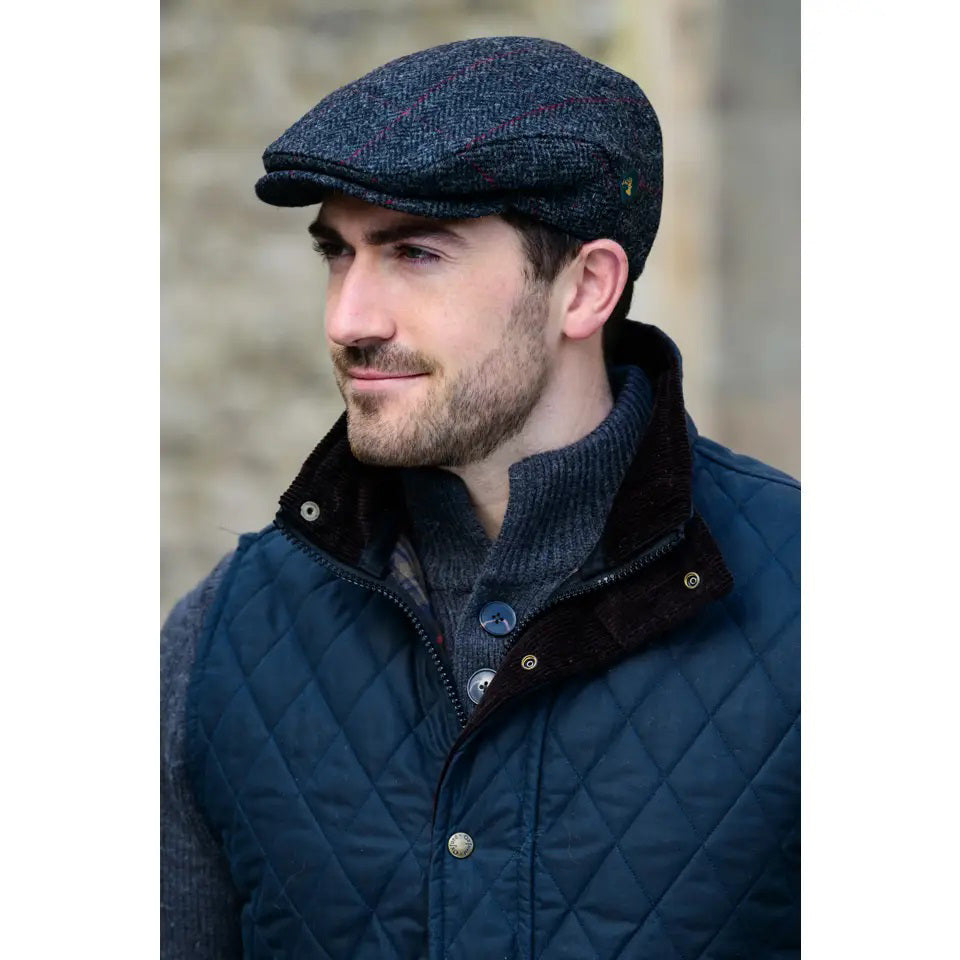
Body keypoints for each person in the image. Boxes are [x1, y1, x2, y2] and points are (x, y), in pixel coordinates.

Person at [161, 35, 799, 960]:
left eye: (414, 253)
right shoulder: (221, 639)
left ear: (585, 288)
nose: (348, 319)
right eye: (337, 254)